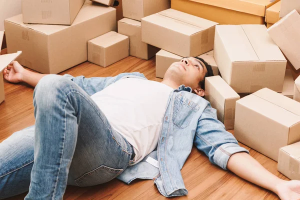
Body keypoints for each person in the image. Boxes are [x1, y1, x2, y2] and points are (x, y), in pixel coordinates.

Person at [0, 58, 299, 200]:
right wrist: (25, 73)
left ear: (199, 90)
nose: (187, 60)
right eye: (187, 57)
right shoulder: (132, 78)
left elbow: (222, 146)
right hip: (59, 134)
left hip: (106, 149)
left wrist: (279, 185)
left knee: (56, 87)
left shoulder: (188, 104)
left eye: (195, 65)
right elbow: (79, 86)